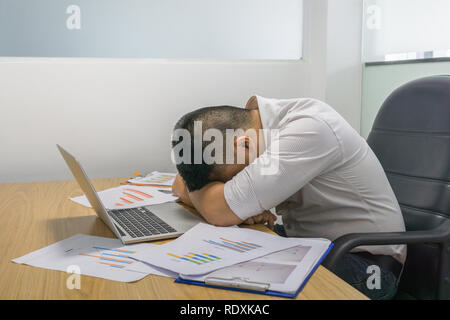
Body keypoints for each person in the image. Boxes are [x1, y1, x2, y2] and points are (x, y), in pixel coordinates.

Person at [171, 95, 406, 299]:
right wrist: (219, 199)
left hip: (365, 265)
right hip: (315, 244)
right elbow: (180, 182)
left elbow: (218, 210)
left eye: (230, 178)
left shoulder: (309, 130)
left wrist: (223, 203)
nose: (232, 184)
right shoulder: (260, 126)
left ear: (242, 144)